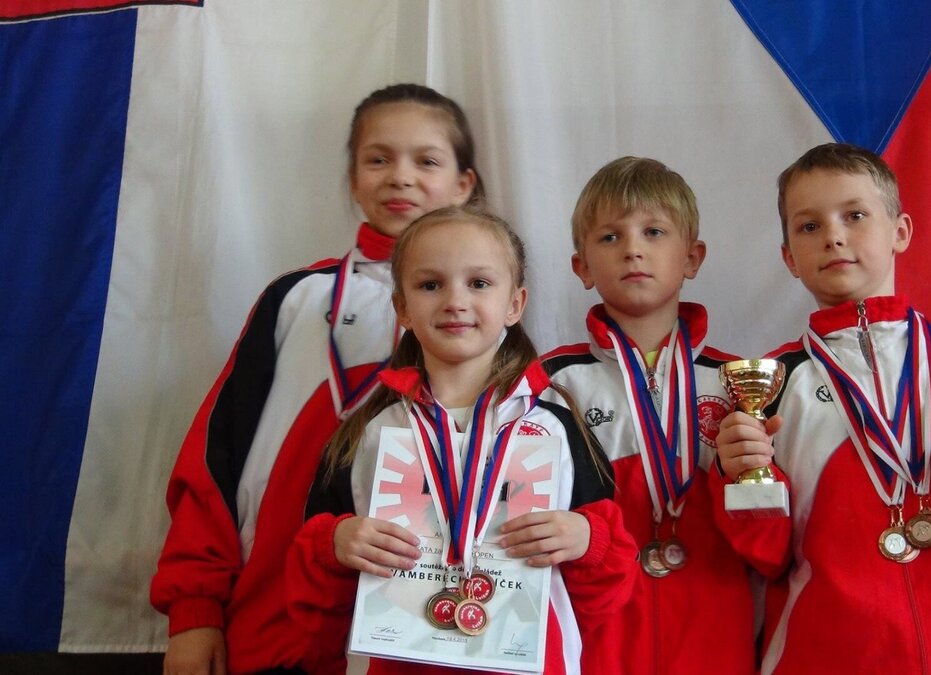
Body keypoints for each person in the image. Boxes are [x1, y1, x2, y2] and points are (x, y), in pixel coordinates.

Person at [150, 83, 483, 675]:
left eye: (426, 161)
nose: (400, 177)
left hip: (420, 635)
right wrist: (194, 607)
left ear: (464, 184)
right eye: (378, 159)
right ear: (353, 179)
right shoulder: (295, 300)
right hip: (272, 623)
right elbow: (215, 459)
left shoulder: (486, 315)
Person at [716, 142, 931, 674]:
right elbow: (766, 555)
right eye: (809, 226)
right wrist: (740, 476)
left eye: (854, 216)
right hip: (832, 657)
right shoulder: (773, 382)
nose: (833, 236)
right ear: (789, 258)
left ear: (900, 231)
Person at [287, 206, 638, 675]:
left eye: (478, 283)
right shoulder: (367, 432)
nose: (455, 301)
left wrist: (587, 541)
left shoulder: (557, 428)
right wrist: (333, 546)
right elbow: (316, 605)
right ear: (402, 308)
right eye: (431, 285)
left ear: (515, 304)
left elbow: (605, 596)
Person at [541, 157, 792, 674]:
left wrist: (740, 477)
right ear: (582, 267)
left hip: (715, 640)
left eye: (653, 232)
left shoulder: (738, 382)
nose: (632, 249)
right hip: (596, 641)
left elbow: (773, 555)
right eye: (610, 237)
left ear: (692, 257)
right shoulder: (551, 385)